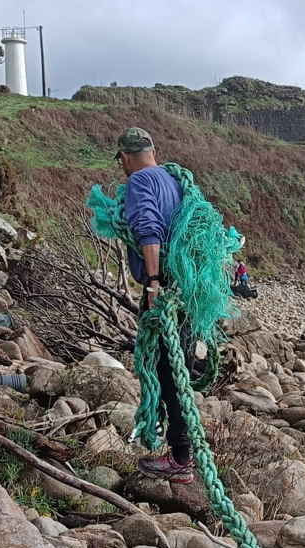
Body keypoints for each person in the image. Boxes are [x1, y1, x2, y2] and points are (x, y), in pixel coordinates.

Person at [114, 127, 197, 481]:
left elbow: (149, 230)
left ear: (126, 157)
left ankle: (181, 459)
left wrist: (152, 282)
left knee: (167, 371)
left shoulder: (139, 182)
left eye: (120, 160)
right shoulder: (175, 181)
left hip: (164, 292)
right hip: (188, 290)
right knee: (180, 369)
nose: (121, 166)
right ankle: (185, 452)